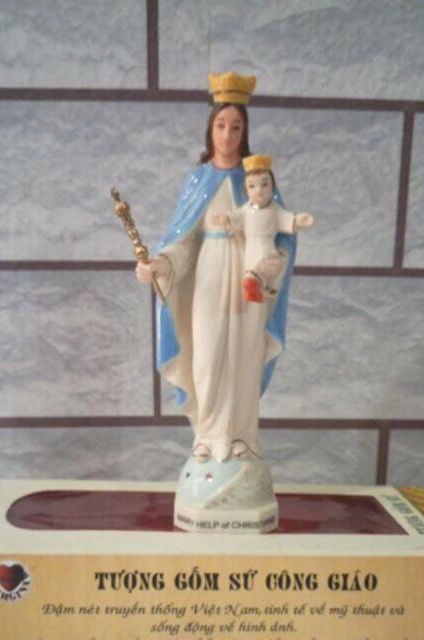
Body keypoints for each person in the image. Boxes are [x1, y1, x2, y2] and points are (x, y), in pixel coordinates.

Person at [135, 72, 298, 463]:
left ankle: (241, 436)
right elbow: (183, 241)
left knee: (244, 355)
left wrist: (272, 265)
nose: (227, 135)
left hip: (248, 278)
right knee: (206, 355)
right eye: (221, 125)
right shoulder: (198, 180)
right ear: (210, 130)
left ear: (245, 132)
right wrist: (161, 264)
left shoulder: (258, 181)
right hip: (208, 274)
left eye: (235, 127)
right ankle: (207, 435)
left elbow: (281, 232)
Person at [209, 154, 314, 303]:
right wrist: (225, 219)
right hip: (252, 248)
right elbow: (235, 218)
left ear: (272, 187)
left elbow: (287, 218)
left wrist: (298, 220)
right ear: (246, 190)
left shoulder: (275, 211)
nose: (259, 190)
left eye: (264, 184)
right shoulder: (245, 211)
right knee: (256, 268)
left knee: (275, 263)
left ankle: (261, 286)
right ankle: (254, 284)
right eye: (252, 186)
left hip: (267, 246)